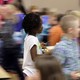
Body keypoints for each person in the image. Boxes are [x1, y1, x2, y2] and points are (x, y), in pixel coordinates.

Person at [52, 15, 80, 80]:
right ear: (70, 30)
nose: (79, 29)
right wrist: (69, 74)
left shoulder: (74, 43)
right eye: (78, 27)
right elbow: (56, 68)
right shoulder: (61, 47)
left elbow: (76, 60)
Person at [22, 13, 43, 78]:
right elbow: (34, 57)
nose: (42, 26)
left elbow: (35, 48)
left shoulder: (29, 37)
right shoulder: (33, 39)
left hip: (28, 72)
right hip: (31, 72)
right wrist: (45, 56)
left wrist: (40, 46)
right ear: (34, 27)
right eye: (41, 24)